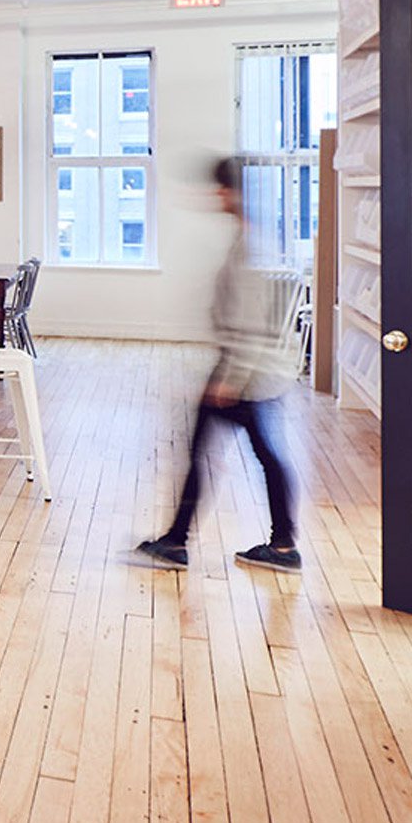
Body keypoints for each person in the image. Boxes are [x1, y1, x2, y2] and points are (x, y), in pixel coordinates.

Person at [137, 156, 302, 573]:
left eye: (220, 189)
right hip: (255, 371)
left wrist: (228, 380)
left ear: (234, 192)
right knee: (258, 452)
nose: (215, 196)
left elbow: (248, 323)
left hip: (246, 374)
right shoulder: (253, 239)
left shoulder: (250, 247)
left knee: (214, 451)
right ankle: (279, 544)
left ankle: (181, 542)